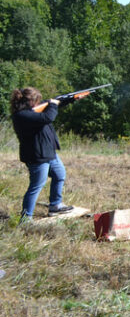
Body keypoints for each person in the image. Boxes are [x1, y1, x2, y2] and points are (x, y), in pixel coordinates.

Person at [10, 87, 75, 219]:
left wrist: (71, 99)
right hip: (37, 155)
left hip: (48, 152)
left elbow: (53, 105)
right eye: (37, 100)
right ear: (30, 101)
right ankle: (26, 218)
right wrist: (52, 104)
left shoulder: (31, 111)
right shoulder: (22, 115)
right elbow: (48, 117)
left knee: (59, 174)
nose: (39, 102)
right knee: (36, 186)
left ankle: (55, 205)